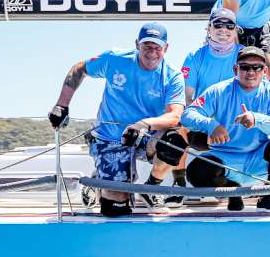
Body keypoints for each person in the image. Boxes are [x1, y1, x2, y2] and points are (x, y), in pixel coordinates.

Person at [47, 23, 186, 217]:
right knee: (115, 209)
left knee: (174, 143)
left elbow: (175, 116)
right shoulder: (115, 59)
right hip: (110, 138)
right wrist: (62, 105)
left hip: (145, 135)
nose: (152, 52)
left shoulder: (172, 76)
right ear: (137, 44)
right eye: (147, 46)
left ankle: (150, 188)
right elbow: (80, 68)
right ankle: (99, 183)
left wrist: (143, 125)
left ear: (166, 48)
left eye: (157, 47)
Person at [181, 47, 270, 211]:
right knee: (195, 172)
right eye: (244, 67)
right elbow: (187, 115)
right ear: (235, 69)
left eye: (257, 67)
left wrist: (256, 119)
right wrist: (211, 125)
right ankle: (232, 192)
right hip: (225, 158)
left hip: (258, 157)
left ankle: (268, 196)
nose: (251, 71)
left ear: (265, 71)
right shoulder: (219, 90)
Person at [168, 2, 242, 204]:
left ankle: (239, 182)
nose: (223, 30)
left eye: (229, 26)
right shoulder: (194, 57)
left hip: (235, 126)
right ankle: (180, 185)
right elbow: (187, 97)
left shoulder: (245, 55)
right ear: (209, 28)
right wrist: (207, 124)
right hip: (202, 125)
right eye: (218, 24)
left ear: (236, 30)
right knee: (177, 124)